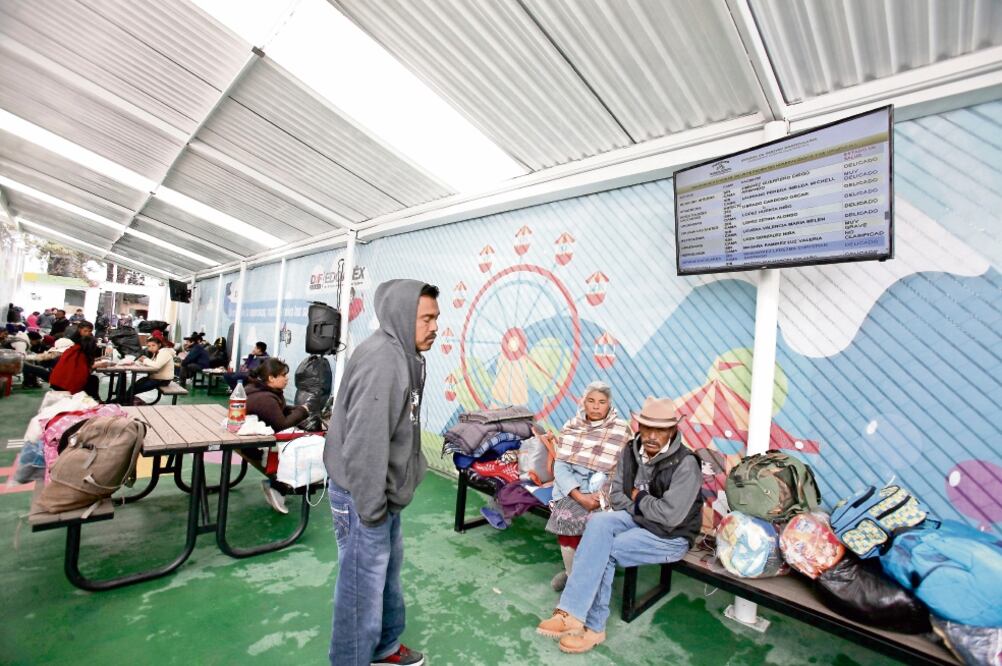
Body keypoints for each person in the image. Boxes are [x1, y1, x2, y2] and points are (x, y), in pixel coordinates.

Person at [324, 280, 440, 666]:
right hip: (364, 495)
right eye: (426, 319)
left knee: (385, 576)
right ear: (402, 316)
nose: (434, 327)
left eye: (436, 318)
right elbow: (365, 443)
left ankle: (384, 648)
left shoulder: (406, 355)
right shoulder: (384, 361)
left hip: (383, 493)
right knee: (361, 592)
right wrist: (371, 508)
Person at [536, 397, 702, 654]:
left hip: (671, 535)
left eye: (660, 430)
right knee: (597, 523)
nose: (652, 435)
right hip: (638, 519)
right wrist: (644, 505)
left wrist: (639, 497)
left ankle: (594, 628)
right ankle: (570, 613)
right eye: (647, 427)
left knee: (607, 549)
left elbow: (670, 516)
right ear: (639, 426)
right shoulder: (631, 450)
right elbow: (617, 496)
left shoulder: (686, 463)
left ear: (672, 430)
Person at [541, 381, 633, 592]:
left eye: (601, 402)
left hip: (604, 492)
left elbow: (622, 471)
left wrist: (600, 496)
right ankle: (572, 575)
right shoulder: (572, 426)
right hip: (572, 489)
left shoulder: (621, 430)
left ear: (609, 404)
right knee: (566, 518)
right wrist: (578, 495)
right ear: (584, 402)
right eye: (591, 401)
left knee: (597, 527)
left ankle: (589, 578)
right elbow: (561, 466)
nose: (596, 406)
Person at [244, 357, 310, 514]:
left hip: (251, 443)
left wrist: (295, 410)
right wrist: (302, 411)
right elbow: (281, 425)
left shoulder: (259, 390)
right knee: (306, 449)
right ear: (271, 378)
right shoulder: (265, 399)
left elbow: (278, 411)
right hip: (258, 449)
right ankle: (277, 487)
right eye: (283, 375)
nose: (287, 379)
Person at [48, 329, 103, 400]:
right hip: (66, 386)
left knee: (91, 379)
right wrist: (96, 365)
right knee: (93, 380)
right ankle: (92, 400)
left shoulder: (72, 350)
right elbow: (82, 375)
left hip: (55, 383)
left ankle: (92, 400)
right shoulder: (81, 355)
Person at [131, 333, 176, 398]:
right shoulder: (157, 352)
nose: (151, 348)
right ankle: (123, 399)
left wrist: (145, 360)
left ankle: (122, 400)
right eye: (149, 346)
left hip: (162, 380)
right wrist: (141, 361)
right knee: (135, 385)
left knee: (134, 389)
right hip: (156, 378)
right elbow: (151, 364)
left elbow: (156, 366)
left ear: (159, 345)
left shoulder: (164, 352)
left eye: (153, 345)